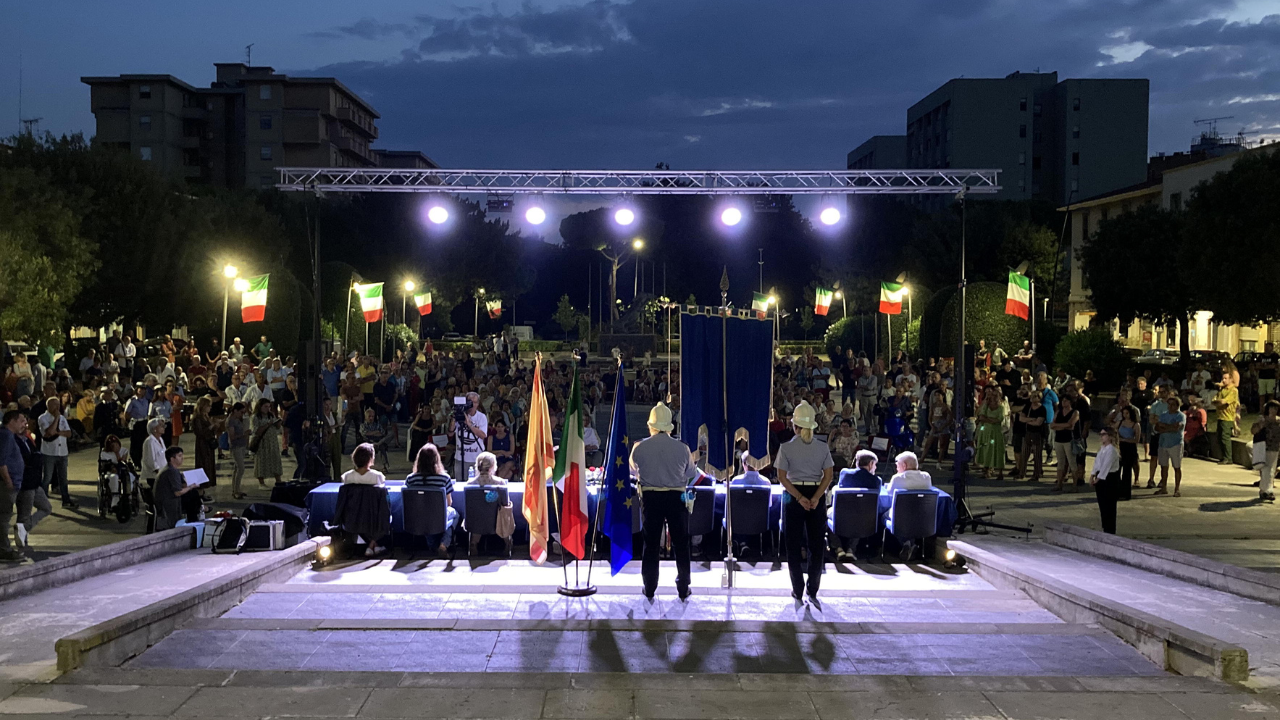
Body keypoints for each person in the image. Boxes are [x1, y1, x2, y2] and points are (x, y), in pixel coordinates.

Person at [629, 402, 698, 601]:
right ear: (670, 425)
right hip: (677, 497)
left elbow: (633, 470)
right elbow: (690, 473)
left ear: (651, 425)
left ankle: (649, 587)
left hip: (650, 498)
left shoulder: (639, 447)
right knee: (681, 543)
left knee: (650, 545)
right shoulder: (682, 448)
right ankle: (683, 587)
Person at [775, 401, 835, 606]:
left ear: (795, 425)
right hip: (816, 492)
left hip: (792, 495)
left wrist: (799, 498)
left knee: (792, 544)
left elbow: (782, 478)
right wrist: (817, 497)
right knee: (817, 544)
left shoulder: (786, 447)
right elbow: (828, 476)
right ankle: (813, 587)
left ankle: (797, 588)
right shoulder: (822, 447)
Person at [405, 443, 458, 554]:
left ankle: (432, 546)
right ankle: (444, 544)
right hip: (437, 517)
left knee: (425, 516)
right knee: (454, 514)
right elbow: (449, 503)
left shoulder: (411, 479)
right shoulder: (444, 478)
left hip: (417, 518)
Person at [465, 452, 514, 556]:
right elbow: (506, 503)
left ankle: (473, 543)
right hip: (496, 521)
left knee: (476, 514)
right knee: (505, 512)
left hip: (476, 521)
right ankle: (507, 542)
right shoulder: (500, 483)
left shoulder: (470, 484)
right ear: (493, 466)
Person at [37, 397, 76, 508]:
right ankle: (42, 501)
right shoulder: (42, 418)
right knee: (47, 477)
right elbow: (48, 432)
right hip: (49, 452)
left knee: (63, 478)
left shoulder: (63, 418)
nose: (57, 407)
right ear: (48, 406)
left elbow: (68, 433)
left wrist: (58, 432)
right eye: (55, 405)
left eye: (58, 405)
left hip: (62, 451)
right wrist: (56, 418)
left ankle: (66, 500)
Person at [0, 411, 27, 561]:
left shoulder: (9, 436)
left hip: (12, 483)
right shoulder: (6, 436)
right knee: (4, 517)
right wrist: (8, 481)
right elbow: (1, 462)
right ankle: (4, 549)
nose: (24, 424)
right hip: (6, 486)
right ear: (12, 421)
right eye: (22, 420)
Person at [153, 446, 197, 531]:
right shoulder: (172, 471)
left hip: (164, 499)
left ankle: (200, 508)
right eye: (179, 456)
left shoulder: (169, 469)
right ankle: (195, 518)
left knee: (192, 494)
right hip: (167, 502)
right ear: (172, 459)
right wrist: (191, 486)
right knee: (192, 497)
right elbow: (177, 492)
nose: (182, 458)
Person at [1089, 428, 1122, 534]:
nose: (1101, 436)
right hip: (1101, 478)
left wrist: (1098, 479)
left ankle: (1110, 530)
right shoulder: (1102, 448)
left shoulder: (1112, 450)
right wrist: (1092, 475)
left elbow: (1106, 466)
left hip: (1110, 479)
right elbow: (1097, 464)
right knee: (1102, 505)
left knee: (1109, 506)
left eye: (1104, 434)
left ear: (1110, 436)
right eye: (1101, 434)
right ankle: (1105, 527)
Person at [1153, 397, 1186, 497]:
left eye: (1173, 405)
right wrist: (1169, 427)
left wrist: (1165, 427)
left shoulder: (1181, 416)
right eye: (1169, 404)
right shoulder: (1163, 415)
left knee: (1176, 466)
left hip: (1175, 443)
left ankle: (1177, 489)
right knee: (1163, 466)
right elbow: (1157, 427)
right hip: (1163, 443)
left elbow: (1177, 428)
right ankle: (1164, 488)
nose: (1170, 407)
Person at [190, 397, 221, 496]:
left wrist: (215, 426)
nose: (210, 408)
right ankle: (200, 491)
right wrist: (211, 427)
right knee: (202, 464)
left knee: (208, 465)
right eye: (208, 406)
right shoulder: (197, 418)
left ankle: (203, 491)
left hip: (208, 444)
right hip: (202, 444)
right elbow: (199, 432)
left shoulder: (206, 416)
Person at [455, 391, 488, 482]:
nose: (471, 404)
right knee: (459, 483)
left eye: (474, 402)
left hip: (475, 457)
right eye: (469, 401)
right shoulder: (459, 415)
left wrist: (470, 425)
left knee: (474, 485)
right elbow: (450, 433)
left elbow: (483, 435)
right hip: (460, 457)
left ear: (478, 404)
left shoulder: (482, 417)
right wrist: (454, 417)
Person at [1250, 401, 1280, 502]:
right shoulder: (1262, 419)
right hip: (1264, 446)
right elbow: (1253, 430)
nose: (1274, 410)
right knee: (1266, 469)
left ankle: (1264, 490)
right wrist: (1260, 425)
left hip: (1275, 447)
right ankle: (1268, 490)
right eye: (1272, 408)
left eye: (1276, 408)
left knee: (1271, 470)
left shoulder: (1278, 421)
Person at [974, 386, 1005, 480]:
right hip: (986, 431)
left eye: (996, 396)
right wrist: (990, 420)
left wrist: (987, 419)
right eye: (993, 395)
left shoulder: (1001, 407)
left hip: (996, 432)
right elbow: (981, 416)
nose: (994, 398)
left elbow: (999, 419)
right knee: (986, 448)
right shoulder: (986, 406)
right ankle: (986, 470)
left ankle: (1000, 472)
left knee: (997, 450)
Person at [1049, 396, 1079, 493]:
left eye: (1065, 400)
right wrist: (1063, 426)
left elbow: (1070, 425)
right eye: (1063, 400)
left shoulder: (1075, 412)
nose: (1063, 402)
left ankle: (1075, 485)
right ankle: (1059, 484)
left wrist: (1059, 426)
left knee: (1072, 462)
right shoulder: (1058, 412)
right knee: (1060, 462)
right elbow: (1052, 425)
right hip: (1059, 439)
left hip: (1069, 440)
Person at [251, 399, 283, 487]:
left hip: (272, 441)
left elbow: (277, 428)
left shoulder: (271, 415)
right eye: (265, 407)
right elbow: (256, 431)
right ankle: (261, 482)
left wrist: (278, 424)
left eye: (269, 407)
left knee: (275, 459)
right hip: (262, 442)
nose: (267, 409)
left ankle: (278, 480)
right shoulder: (256, 417)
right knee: (261, 461)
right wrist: (268, 424)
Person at [1018, 393, 1048, 482]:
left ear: (1039, 398)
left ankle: (1036, 474)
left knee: (1037, 455)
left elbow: (1038, 423)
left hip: (1037, 434)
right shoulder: (1028, 406)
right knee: (1024, 454)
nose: (1032, 398)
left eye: (1035, 396)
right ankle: (1021, 473)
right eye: (1032, 396)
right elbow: (1021, 419)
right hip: (1028, 432)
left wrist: (1027, 420)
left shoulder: (1042, 409)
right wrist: (1031, 419)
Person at [1213, 371, 1240, 465]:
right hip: (1220, 416)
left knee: (1225, 438)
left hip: (1228, 417)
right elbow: (1214, 400)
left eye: (1225, 378)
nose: (1223, 380)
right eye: (1222, 378)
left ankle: (1228, 458)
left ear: (1231, 379)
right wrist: (1218, 401)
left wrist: (1219, 402)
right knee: (1219, 437)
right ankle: (1223, 456)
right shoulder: (1222, 390)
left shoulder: (1233, 390)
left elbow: (1224, 402)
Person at [1115, 405, 1142, 491]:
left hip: (1130, 448)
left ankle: (1125, 490)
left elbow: (1136, 439)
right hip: (1120, 447)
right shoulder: (1120, 423)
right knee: (1117, 469)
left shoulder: (1136, 425)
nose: (1125, 415)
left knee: (1127, 470)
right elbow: (1113, 431)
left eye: (1127, 413)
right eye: (1124, 413)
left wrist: (1124, 439)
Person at [225, 403, 249, 499]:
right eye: (241, 412)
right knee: (240, 468)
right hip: (236, 446)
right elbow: (232, 437)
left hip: (241, 445)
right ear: (235, 410)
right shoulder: (231, 421)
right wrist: (244, 434)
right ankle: (236, 490)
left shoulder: (237, 419)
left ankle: (236, 489)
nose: (242, 414)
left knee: (237, 468)